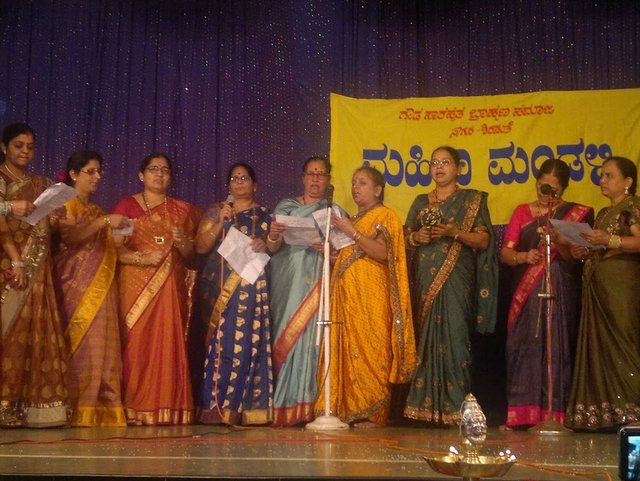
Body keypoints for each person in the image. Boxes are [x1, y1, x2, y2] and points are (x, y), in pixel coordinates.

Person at [315, 165, 416, 427]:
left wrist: (350, 232)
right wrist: (334, 250)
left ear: (378, 190)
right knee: (348, 351)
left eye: (362, 183)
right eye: (354, 182)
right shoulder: (355, 220)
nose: (355, 188)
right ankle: (347, 409)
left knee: (372, 350)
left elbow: (383, 253)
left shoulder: (386, 215)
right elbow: (353, 250)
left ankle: (372, 412)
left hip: (372, 298)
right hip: (347, 298)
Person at [403, 146, 498, 426]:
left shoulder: (472, 200)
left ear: (459, 169)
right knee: (427, 340)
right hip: (426, 277)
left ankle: (457, 408)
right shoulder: (421, 201)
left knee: (456, 339)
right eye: (434, 163)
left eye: (445, 162)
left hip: (458, 278)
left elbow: (483, 241)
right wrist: (418, 236)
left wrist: (454, 232)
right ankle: (423, 409)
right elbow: (407, 237)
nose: (439, 167)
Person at [499, 158, 593, 428]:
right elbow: (505, 253)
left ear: (562, 189)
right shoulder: (521, 212)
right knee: (523, 346)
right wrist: (523, 256)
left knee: (556, 346)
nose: (547, 194)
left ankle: (555, 415)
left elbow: (575, 258)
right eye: (543, 187)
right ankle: (521, 414)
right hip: (526, 290)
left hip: (559, 286)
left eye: (553, 189)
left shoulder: (575, 214)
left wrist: (560, 239)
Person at [112, 153, 200, 425]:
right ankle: (134, 407)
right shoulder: (128, 206)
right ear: (142, 175)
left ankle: (167, 406)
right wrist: (142, 258)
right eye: (153, 169)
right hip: (135, 283)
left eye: (164, 170)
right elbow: (116, 250)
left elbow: (192, 256)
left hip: (168, 287)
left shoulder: (183, 211)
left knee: (166, 343)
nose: (159, 174)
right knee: (137, 344)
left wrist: (183, 240)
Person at [53, 150, 130, 427]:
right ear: (74, 174)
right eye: (91, 171)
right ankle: (76, 408)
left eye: (99, 171)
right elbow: (70, 237)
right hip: (74, 288)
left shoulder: (97, 210)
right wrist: (104, 222)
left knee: (105, 350)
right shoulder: (65, 204)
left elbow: (111, 250)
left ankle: (103, 409)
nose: (98, 177)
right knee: (83, 347)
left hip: (103, 290)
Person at [194, 162, 273, 425]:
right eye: (235, 178)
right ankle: (214, 408)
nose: (239, 182)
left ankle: (244, 409)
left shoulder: (264, 215)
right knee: (220, 347)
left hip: (250, 289)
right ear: (229, 185)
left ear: (254, 184)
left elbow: (274, 246)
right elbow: (202, 246)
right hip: (218, 290)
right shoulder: (217, 211)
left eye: (245, 178)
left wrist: (265, 243)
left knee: (247, 344)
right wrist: (220, 223)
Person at [565, 156, 640, 432]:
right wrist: (582, 249)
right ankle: (604, 413)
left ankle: (633, 411)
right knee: (599, 348)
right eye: (601, 175)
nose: (602, 180)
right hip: (598, 288)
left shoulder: (632, 206)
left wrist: (608, 240)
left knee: (623, 343)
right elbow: (602, 246)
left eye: (609, 175)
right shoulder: (603, 213)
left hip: (622, 288)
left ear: (628, 182)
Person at [0, 122, 67, 428]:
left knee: (33, 333)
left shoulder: (40, 183)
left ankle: (30, 408)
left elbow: (44, 224)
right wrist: (16, 262)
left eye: (30, 146)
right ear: (4, 147)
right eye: (18, 145)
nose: (25, 151)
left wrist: (53, 217)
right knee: (9, 334)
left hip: (38, 270)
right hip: (8, 267)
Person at [267, 156, 341, 426]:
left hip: (315, 285)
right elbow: (272, 248)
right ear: (303, 177)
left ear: (329, 180)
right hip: (285, 284)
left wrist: (330, 253)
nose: (315, 179)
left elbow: (342, 255)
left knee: (311, 342)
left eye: (321, 174)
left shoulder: (334, 211)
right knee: (284, 337)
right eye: (311, 174)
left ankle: (307, 404)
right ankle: (283, 404)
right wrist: (273, 234)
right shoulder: (285, 207)